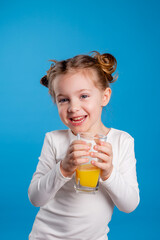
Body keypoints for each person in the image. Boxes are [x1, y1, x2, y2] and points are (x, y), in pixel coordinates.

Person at [28, 51, 140, 240]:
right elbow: (35, 198)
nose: (73, 107)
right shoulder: (54, 140)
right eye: (63, 99)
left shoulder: (122, 141)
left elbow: (129, 205)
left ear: (105, 97)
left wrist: (109, 172)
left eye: (84, 96)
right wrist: (63, 169)